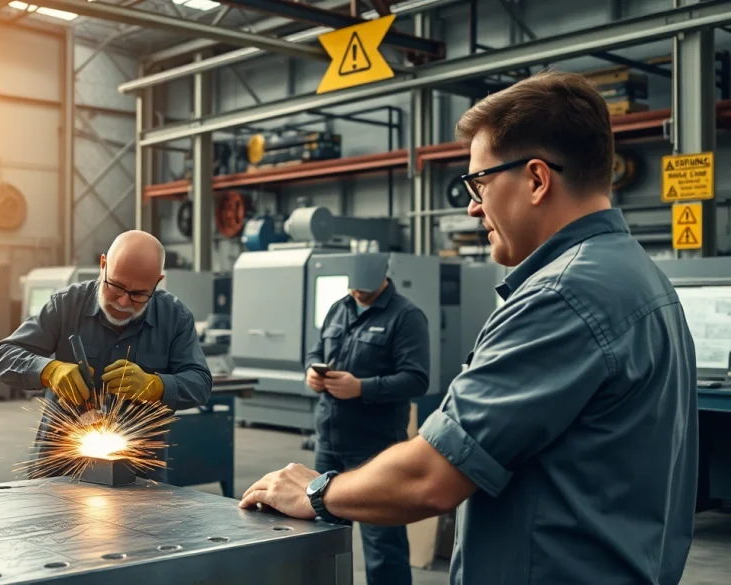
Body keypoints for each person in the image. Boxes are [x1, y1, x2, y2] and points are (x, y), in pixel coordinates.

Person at [239, 70, 699, 585]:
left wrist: (316, 492)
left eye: (479, 182)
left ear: (536, 179)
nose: (473, 205)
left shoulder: (562, 296)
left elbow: (430, 478)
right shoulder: (642, 278)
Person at [0, 230, 213, 481]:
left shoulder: (174, 318)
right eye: (116, 286)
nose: (123, 302)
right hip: (60, 466)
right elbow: (2, 357)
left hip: (138, 473)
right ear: (103, 264)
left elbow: (201, 383)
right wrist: (48, 371)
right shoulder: (67, 305)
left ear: (157, 282)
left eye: (138, 294)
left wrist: (156, 386)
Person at [305, 259, 430, 585]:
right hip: (329, 446)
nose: (357, 292)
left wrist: (361, 387)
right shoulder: (339, 308)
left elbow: (417, 379)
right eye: (353, 286)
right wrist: (312, 372)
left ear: (383, 278)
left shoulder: (406, 316)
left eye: (364, 287)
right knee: (323, 538)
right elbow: (316, 350)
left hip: (376, 448)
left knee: (383, 545)